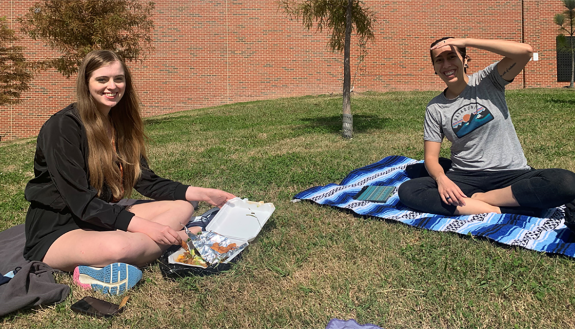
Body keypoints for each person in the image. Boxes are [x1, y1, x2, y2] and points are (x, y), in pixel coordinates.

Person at [23, 50, 236, 293]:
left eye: (119, 79)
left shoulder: (119, 123)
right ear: (86, 83)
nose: (112, 86)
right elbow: (81, 202)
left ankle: (168, 237)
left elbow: (146, 181)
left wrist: (204, 194)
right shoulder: (63, 127)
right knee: (120, 249)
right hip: (59, 228)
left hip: (101, 218)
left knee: (183, 205)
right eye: (102, 79)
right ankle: (179, 236)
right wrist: (149, 228)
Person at [398, 37, 575, 218]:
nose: (446, 65)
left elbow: (525, 52)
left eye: (452, 56)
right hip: (465, 176)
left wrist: (464, 40)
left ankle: (479, 200)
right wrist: (442, 180)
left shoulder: (489, 80)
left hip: (511, 174)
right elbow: (430, 157)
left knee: (566, 183)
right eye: (439, 60)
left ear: (465, 60)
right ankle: (501, 209)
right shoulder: (435, 107)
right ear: (434, 68)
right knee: (408, 190)